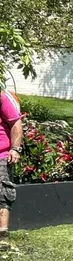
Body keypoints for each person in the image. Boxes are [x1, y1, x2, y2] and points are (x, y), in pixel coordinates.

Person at [0, 87, 23, 246]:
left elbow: (16, 123)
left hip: (1, 155)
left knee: (2, 194)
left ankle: (2, 238)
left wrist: (15, 149)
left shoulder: (1, 98)